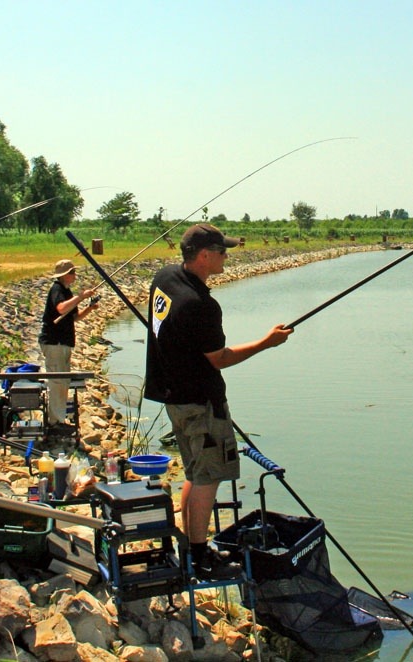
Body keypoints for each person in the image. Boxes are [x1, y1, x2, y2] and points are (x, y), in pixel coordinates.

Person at [144, 223, 292, 579]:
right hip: (199, 402)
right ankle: (199, 555)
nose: (227, 256)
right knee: (208, 475)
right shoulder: (202, 306)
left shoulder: (164, 279)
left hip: (173, 397)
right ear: (205, 256)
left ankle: (189, 541)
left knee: (195, 471)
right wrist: (265, 343)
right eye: (223, 251)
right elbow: (220, 358)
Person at [38, 259, 99, 431]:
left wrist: (89, 308)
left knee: (63, 381)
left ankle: (59, 417)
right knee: (57, 382)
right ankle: (55, 422)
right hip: (54, 342)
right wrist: (81, 296)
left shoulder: (67, 291)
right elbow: (61, 309)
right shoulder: (57, 289)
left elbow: (73, 317)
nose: (75, 275)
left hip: (63, 343)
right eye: (72, 272)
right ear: (64, 275)